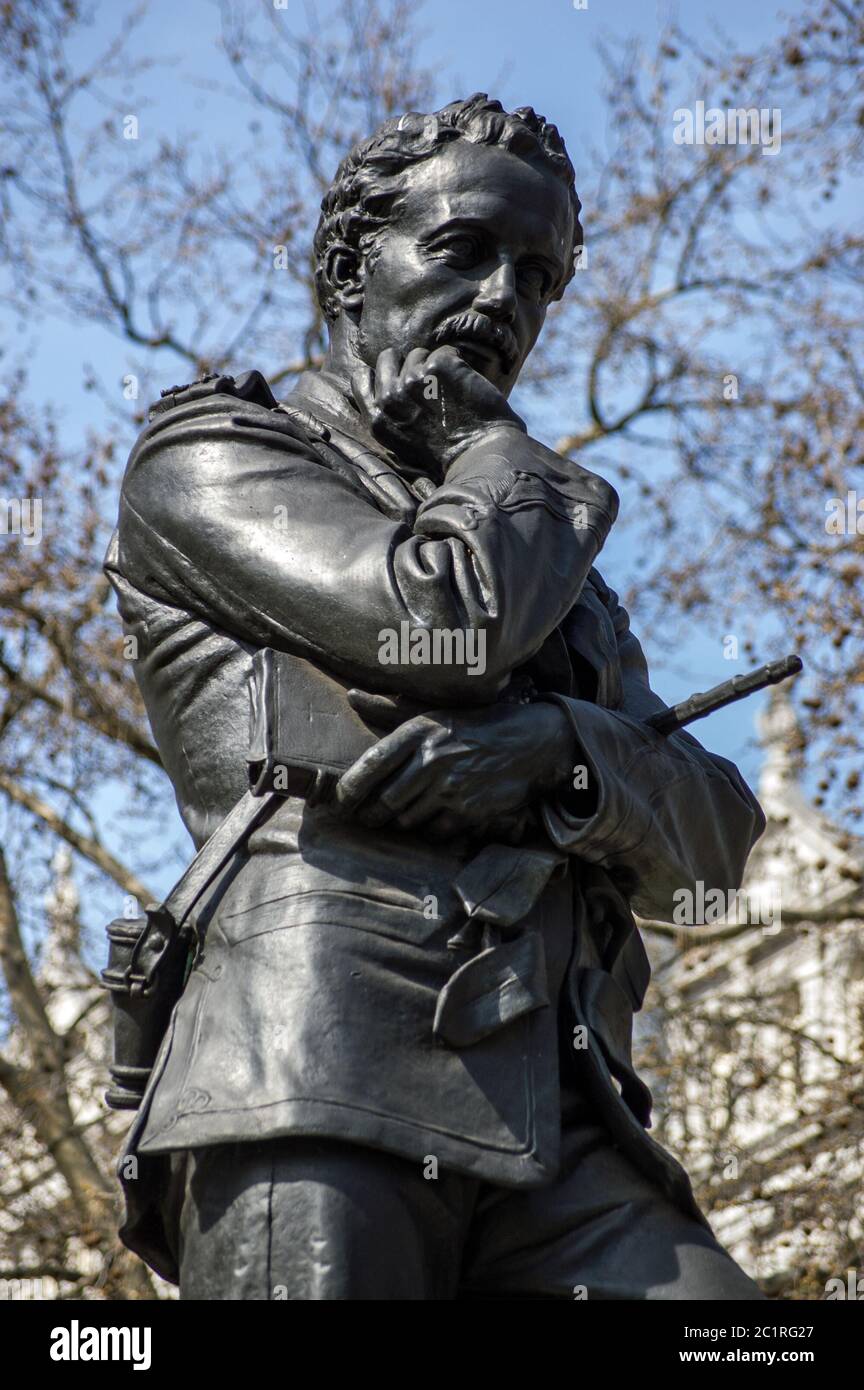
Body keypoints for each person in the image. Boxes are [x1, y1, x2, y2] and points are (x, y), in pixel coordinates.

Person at [104, 94, 766, 1299]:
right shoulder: (212, 455)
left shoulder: (551, 575)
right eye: (465, 251)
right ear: (353, 270)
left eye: (540, 275)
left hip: (567, 1125)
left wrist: (559, 753)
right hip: (315, 1074)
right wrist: (505, 454)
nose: (507, 298)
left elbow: (716, 840)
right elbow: (438, 621)